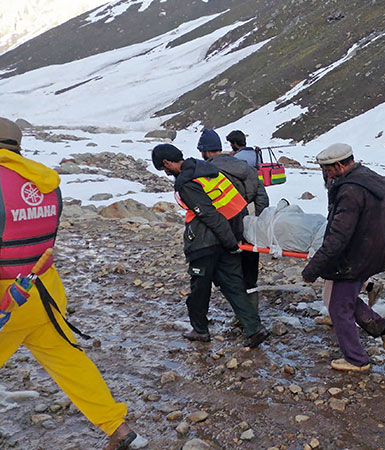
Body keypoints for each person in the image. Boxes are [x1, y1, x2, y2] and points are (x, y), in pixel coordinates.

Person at [0, 118, 136, 449]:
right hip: (43, 290)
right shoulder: (46, 182)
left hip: (6, 299)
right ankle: (115, 426)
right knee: (70, 362)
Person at [151, 143, 269, 348]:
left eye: (164, 169)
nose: (166, 173)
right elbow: (236, 203)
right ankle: (254, 328)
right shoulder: (205, 169)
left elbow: (209, 215)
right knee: (233, 284)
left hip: (206, 243)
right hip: (230, 235)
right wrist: (235, 239)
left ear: (167, 163)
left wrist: (230, 242)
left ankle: (200, 329)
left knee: (199, 288)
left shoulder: (186, 182)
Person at [301, 143, 385, 372]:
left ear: (339, 165)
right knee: (345, 300)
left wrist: (312, 269)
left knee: (338, 308)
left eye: (327, 169)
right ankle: (384, 329)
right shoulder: (366, 179)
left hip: (354, 257)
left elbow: (338, 236)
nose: (325, 174)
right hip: (369, 251)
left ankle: (356, 359)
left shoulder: (350, 191)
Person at [198, 129, 269, 320]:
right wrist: (257, 224)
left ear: (204, 151)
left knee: (231, 273)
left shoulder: (209, 172)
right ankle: (252, 311)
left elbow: (211, 206)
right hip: (251, 225)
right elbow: (262, 198)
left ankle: (245, 317)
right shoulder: (246, 167)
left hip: (228, 230)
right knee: (250, 272)